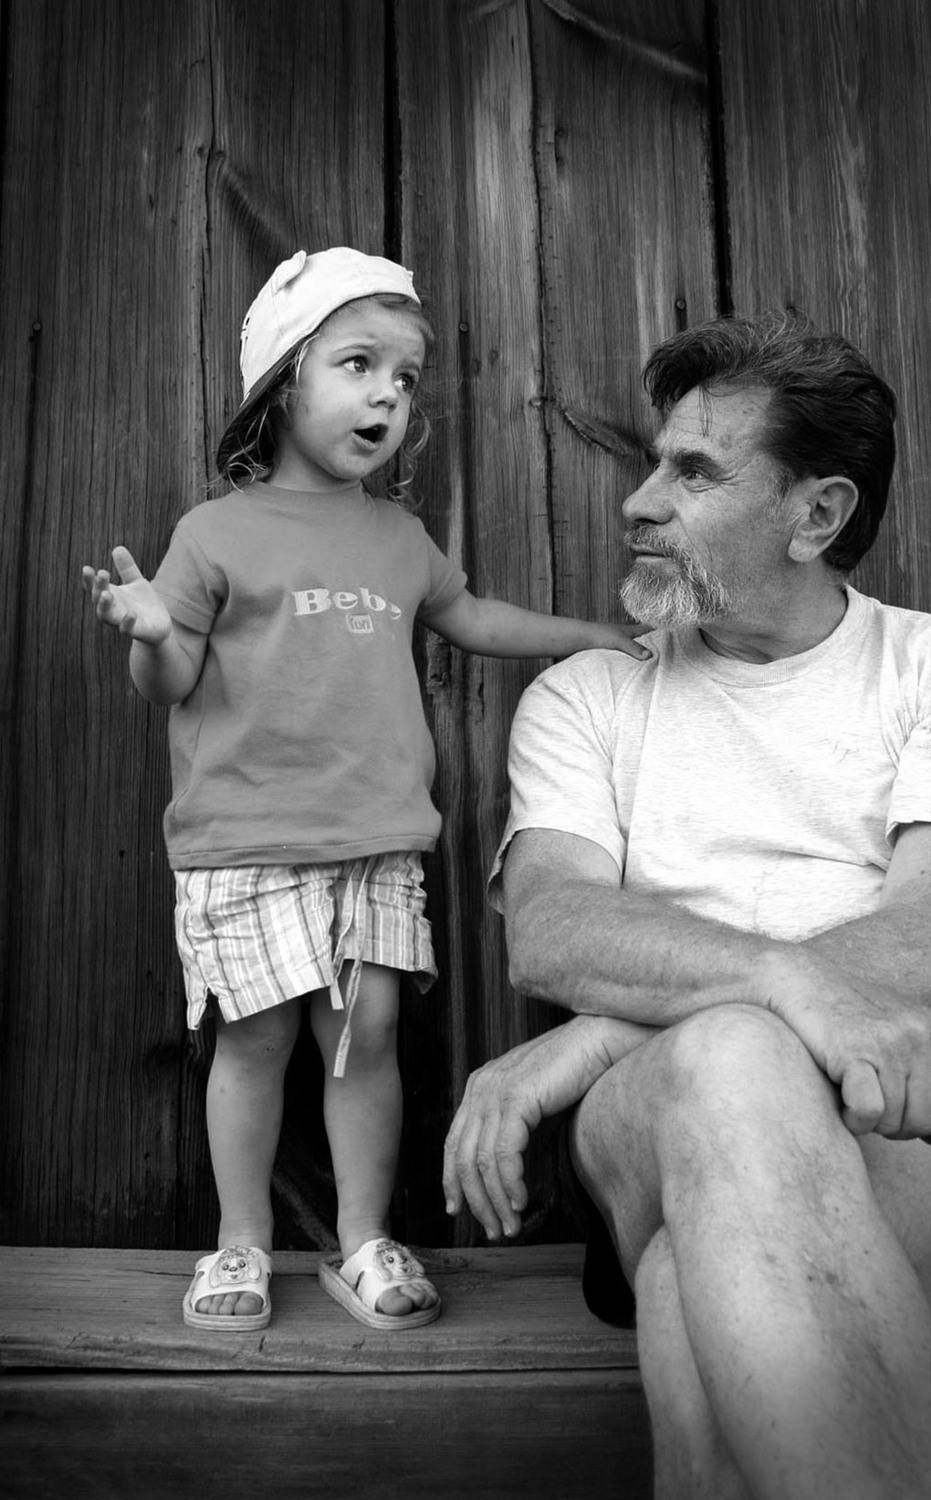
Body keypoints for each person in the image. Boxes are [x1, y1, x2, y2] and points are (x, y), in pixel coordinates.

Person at [81, 247, 646, 1333]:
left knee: (368, 1036)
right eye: (358, 363)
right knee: (254, 1043)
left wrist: (583, 635)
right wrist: (150, 632)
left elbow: (469, 617)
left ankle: (361, 1239)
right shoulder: (213, 532)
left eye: (406, 376)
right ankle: (241, 1240)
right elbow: (173, 681)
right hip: (244, 841)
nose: (388, 393)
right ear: (282, 380)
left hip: (377, 842)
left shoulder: (396, 536)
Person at [443, 310, 931, 1498]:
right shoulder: (590, 697)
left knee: (683, 1295)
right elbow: (554, 929)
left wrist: (606, 1026)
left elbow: (922, 940)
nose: (638, 502)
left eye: (694, 473)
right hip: (649, 1121)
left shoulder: (921, 670)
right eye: (654, 462)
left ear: (815, 516)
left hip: (894, 1116)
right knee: (731, 1061)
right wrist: (776, 986)